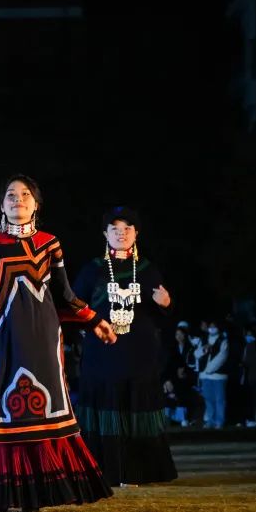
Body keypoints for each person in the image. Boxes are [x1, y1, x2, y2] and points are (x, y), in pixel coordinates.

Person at [0, 174, 116, 512]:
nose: (18, 199)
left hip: (44, 340)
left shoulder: (50, 243)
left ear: (36, 204)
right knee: (5, 411)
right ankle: (6, 494)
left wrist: (95, 320)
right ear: (2, 206)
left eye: (25, 194)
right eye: (10, 195)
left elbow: (64, 296)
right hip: (3, 339)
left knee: (47, 411)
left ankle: (40, 494)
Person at [72, 206, 177, 487]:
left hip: (139, 352)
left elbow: (162, 314)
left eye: (127, 229)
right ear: (105, 234)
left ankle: (138, 473)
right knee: (106, 404)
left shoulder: (148, 269)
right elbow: (74, 307)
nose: (121, 234)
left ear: (136, 234)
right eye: (115, 229)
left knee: (136, 404)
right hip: (102, 352)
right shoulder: (92, 269)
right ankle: (101, 471)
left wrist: (166, 305)